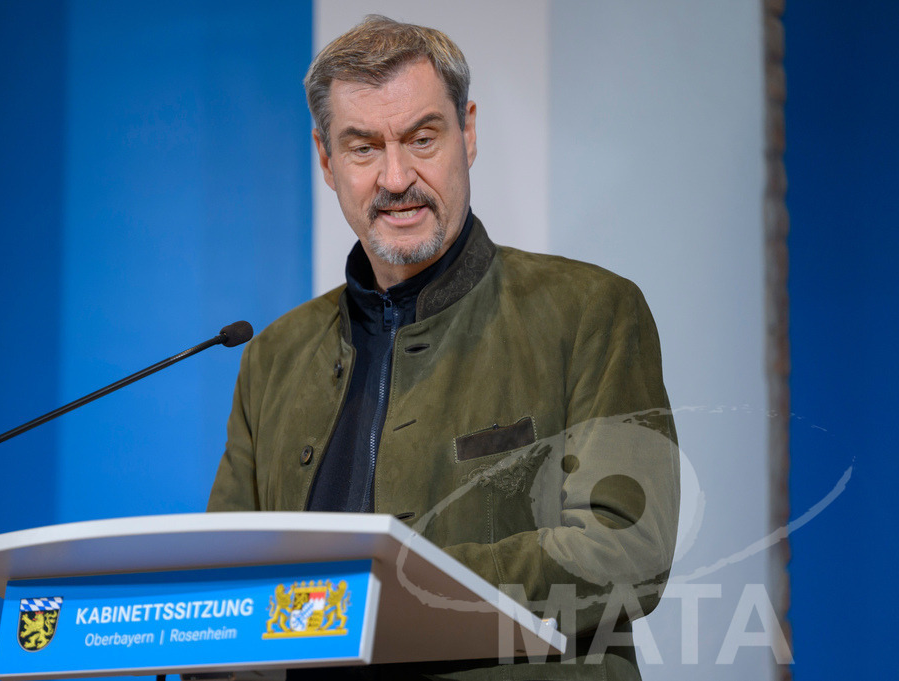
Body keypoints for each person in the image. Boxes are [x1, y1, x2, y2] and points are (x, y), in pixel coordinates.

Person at [207, 15, 679, 681]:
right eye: (364, 148)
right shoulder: (273, 358)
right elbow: (227, 594)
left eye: (422, 138)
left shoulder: (589, 312)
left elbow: (626, 547)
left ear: (469, 132)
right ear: (325, 159)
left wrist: (387, 591)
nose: (396, 177)